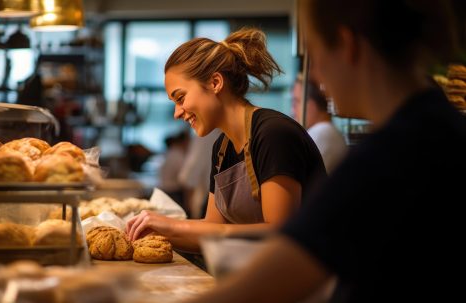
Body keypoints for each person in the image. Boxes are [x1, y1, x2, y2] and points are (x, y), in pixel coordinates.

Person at [186, 0, 465, 302]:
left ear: (347, 46)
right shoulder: (437, 127)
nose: (316, 76)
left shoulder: (395, 153)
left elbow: (280, 274)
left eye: (317, 55)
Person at [126, 28, 327, 253]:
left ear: (215, 82)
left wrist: (172, 226)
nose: (177, 113)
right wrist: (153, 232)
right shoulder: (222, 148)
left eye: (180, 98)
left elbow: (280, 232)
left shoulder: (273, 134)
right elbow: (213, 230)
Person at [292, 77, 348, 173]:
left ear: (312, 104)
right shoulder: (327, 132)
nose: (293, 110)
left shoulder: (321, 133)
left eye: (297, 101)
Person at [178, 128, 221, 218]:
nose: (177, 114)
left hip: (208, 201)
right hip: (213, 200)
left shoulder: (205, 135)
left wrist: (188, 209)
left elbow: (189, 176)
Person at [158, 130, 190, 210]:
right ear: (184, 141)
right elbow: (184, 178)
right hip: (173, 192)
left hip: (164, 190)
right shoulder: (178, 155)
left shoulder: (169, 152)